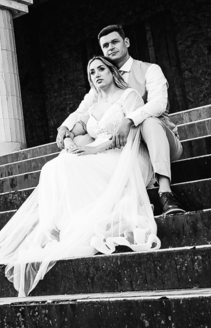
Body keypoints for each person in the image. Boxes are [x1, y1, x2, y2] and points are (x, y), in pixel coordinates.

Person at [0, 56, 158, 301]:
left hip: (122, 156)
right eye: (92, 72)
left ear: (113, 72)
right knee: (52, 167)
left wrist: (92, 150)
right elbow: (78, 128)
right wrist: (68, 137)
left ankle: (75, 223)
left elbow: (132, 134)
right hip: (97, 154)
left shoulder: (129, 96)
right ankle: (56, 227)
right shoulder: (93, 105)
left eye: (101, 69)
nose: (97, 75)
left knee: (75, 165)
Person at [56, 25, 185, 216]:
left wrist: (129, 120)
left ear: (126, 42)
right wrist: (64, 128)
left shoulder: (150, 69)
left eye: (115, 42)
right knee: (82, 139)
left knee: (149, 121)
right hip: (123, 146)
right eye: (105, 45)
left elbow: (159, 104)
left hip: (158, 140)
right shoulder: (102, 80)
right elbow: (82, 111)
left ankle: (165, 192)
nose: (110, 47)